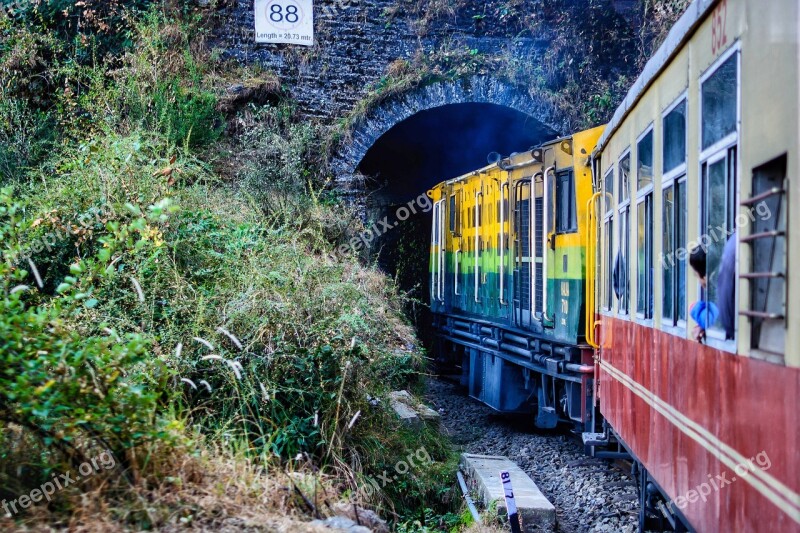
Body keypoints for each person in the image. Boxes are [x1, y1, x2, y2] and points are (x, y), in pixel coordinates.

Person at [688, 232, 737, 342]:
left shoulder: (716, 286)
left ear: (704, 276)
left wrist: (694, 308)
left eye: (696, 275)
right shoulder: (724, 276)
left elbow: (715, 318)